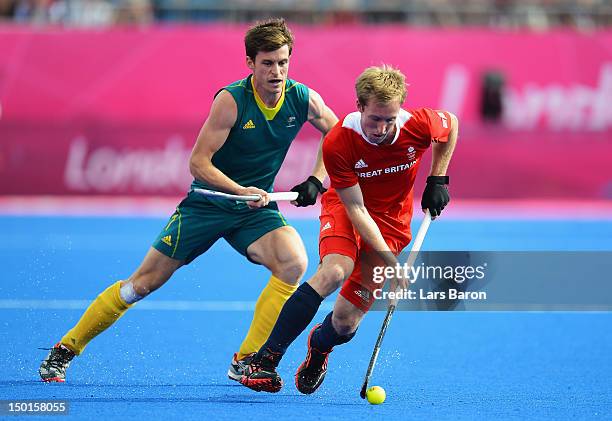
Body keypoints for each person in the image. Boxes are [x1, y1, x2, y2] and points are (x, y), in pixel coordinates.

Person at [39, 18, 338, 383]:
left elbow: (336, 136)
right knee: (142, 284)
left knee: (293, 263)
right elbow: (197, 163)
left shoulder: (303, 98)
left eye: (283, 62)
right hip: (207, 205)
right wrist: (240, 191)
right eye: (267, 63)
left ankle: (246, 360)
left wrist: (316, 179)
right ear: (250, 63)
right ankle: (65, 349)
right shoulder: (232, 101)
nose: (276, 72)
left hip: (253, 212)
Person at [239, 64, 458, 393]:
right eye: (375, 119)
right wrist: (391, 262)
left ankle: (320, 347)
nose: (382, 128)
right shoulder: (340, 141)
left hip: (393, 224)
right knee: (335, 271)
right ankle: (265, 359)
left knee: (345, 323)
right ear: (359, 107)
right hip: (346, 209)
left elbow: (450, 125)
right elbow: (355, 208)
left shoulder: (418, 124)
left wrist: (438, 178)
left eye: (390, 118)